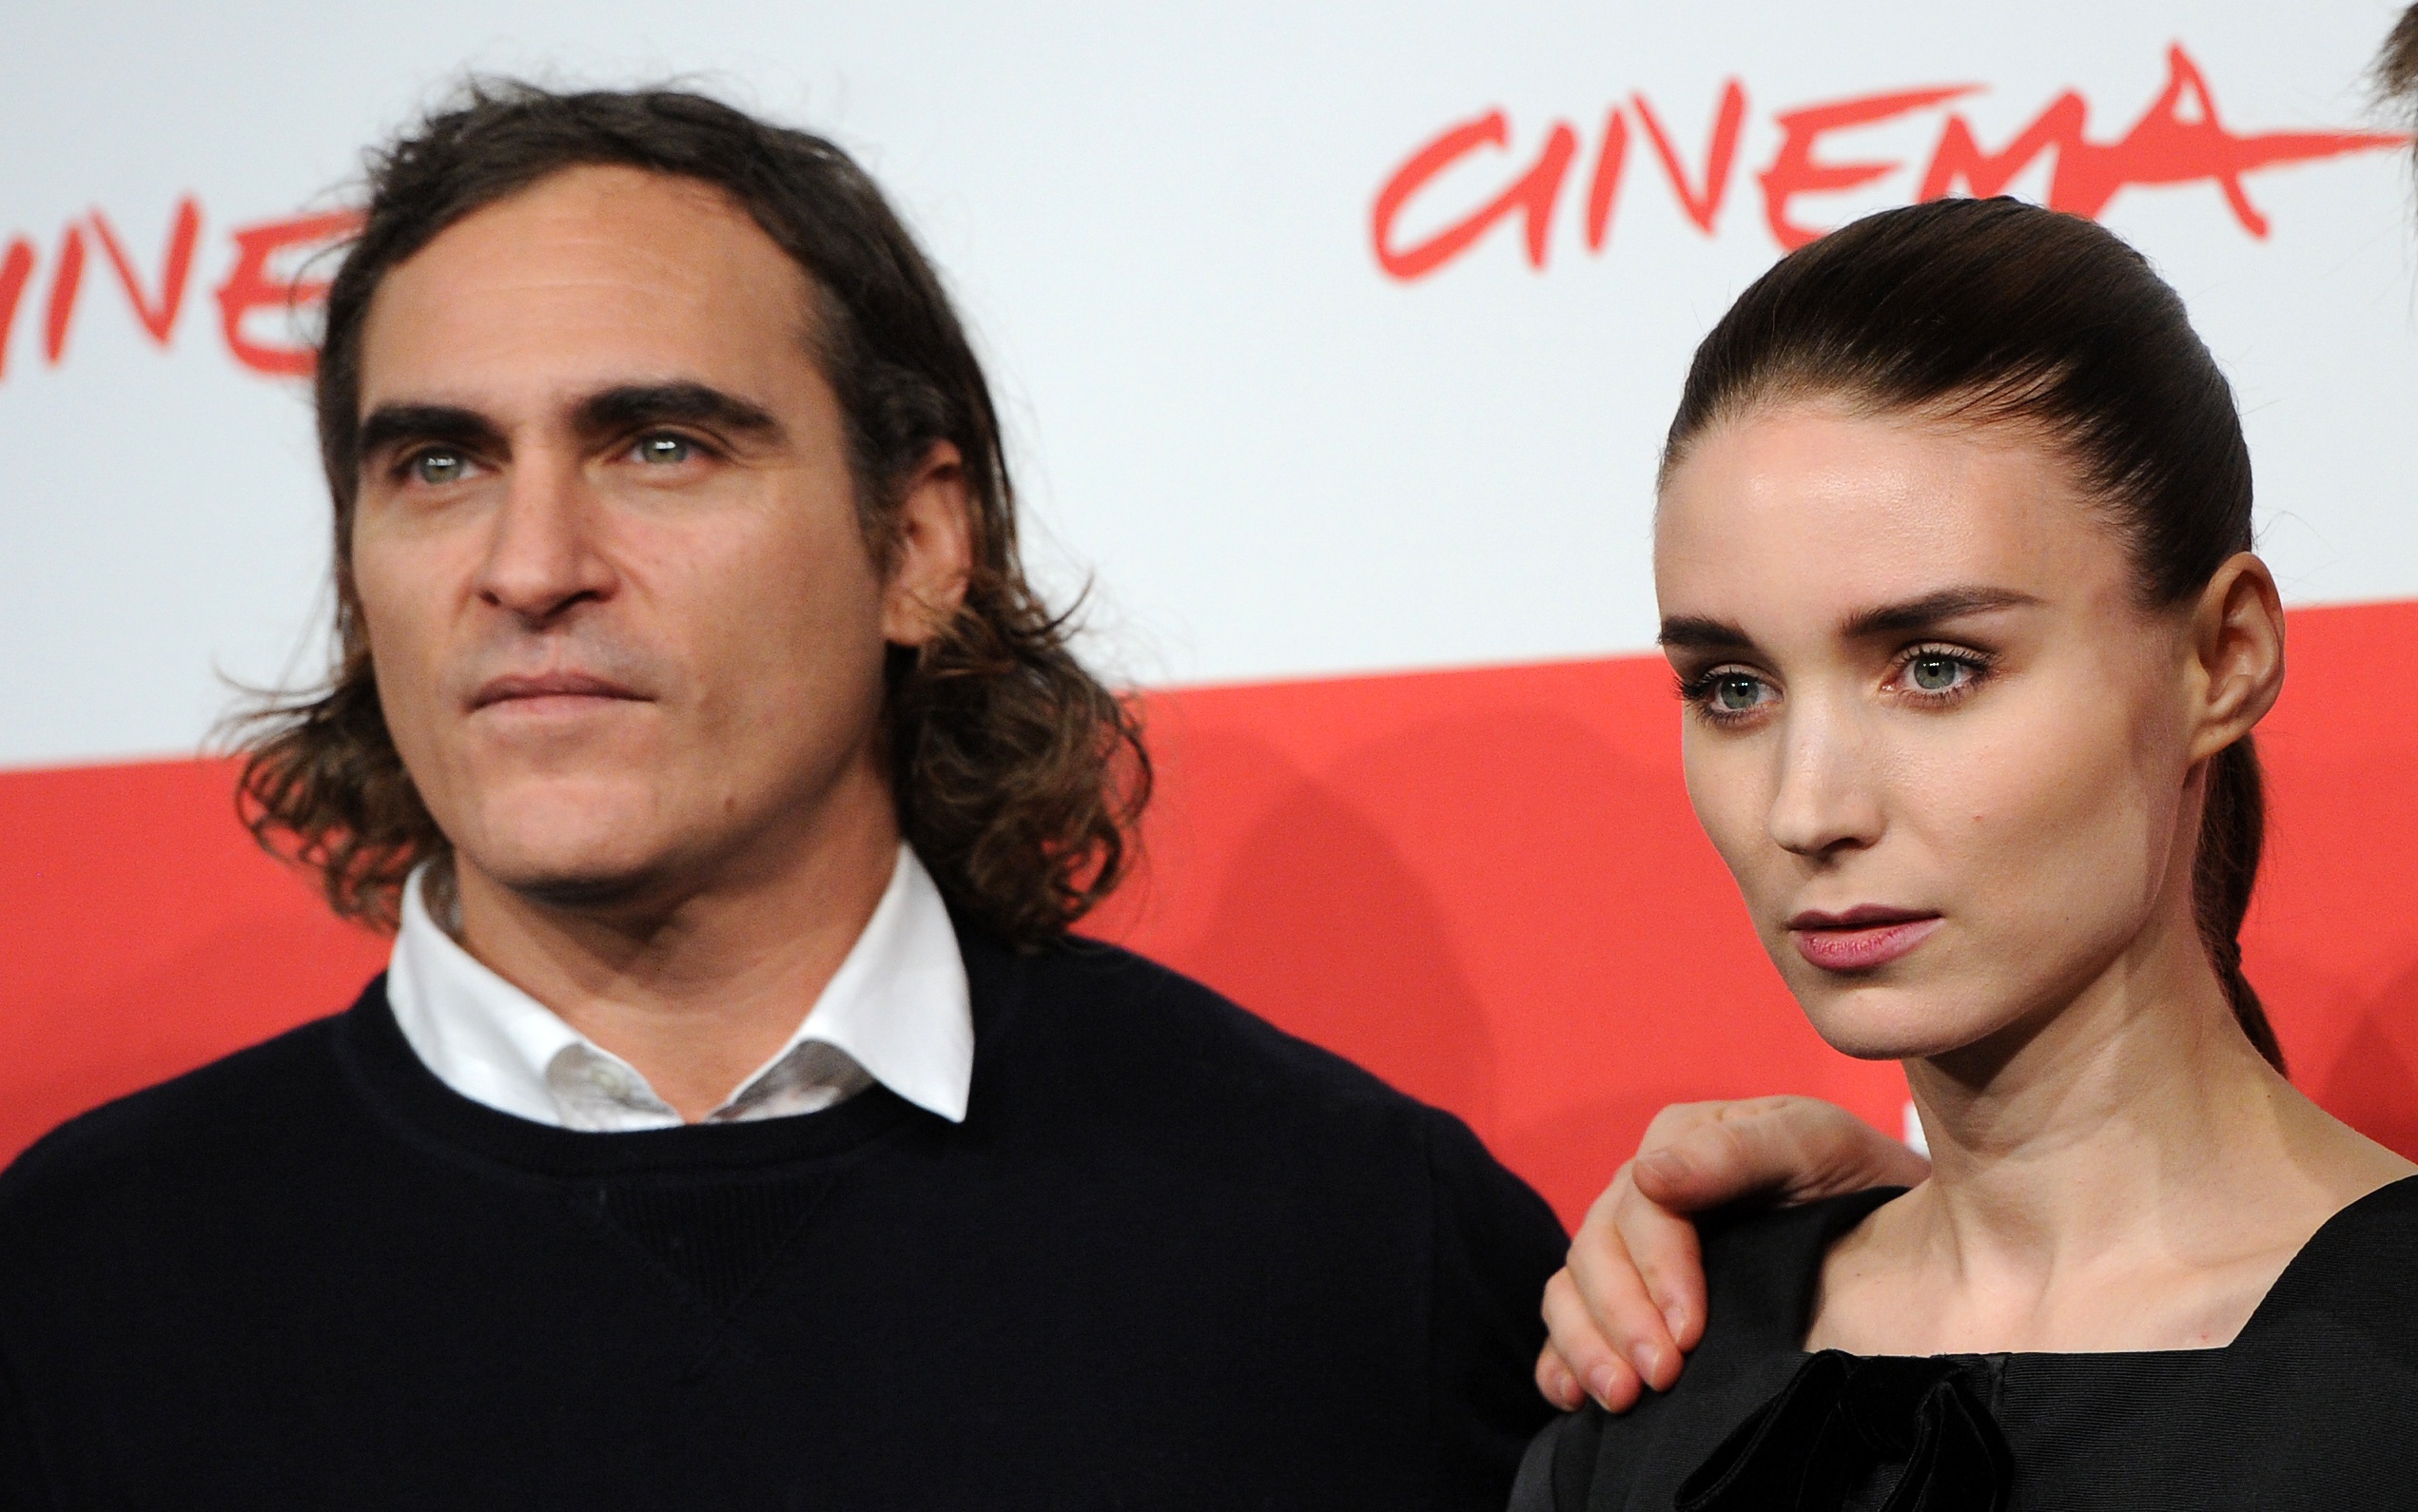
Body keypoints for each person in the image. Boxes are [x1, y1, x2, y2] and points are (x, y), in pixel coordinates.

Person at [0, 79, 1911, 1508]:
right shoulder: (72, 1287)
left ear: (917, 542)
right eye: (433, 465)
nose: (527, 562)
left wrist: (1914, 1290)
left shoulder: (1339, 1232)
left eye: (657, 444)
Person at [1513, 193, 2418, 1510]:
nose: (1806, 808)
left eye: (1935, 667)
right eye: (1731, 687)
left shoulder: (2382, 1374)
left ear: (2221, 656)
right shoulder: (1659, 1361)